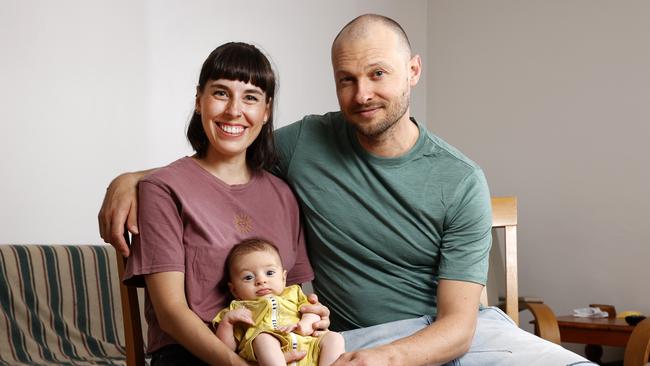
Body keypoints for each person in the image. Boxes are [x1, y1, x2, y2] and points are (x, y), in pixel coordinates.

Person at [100, 14, 596, 366]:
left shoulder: (461, 179)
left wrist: (386, 359)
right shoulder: (306, 143)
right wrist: (135, 179)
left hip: (451, 335)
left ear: (413, 71)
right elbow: (227, 153)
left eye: (378, 74)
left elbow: (459, 327)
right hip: (355, 338)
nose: (362, 95)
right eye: (347, 79)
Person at [119, 42, 329, 365]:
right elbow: (171, 313)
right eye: (220, 93)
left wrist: (311, 316)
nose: (234, 110)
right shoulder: (162, 190)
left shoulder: (283, 196)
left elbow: (294, 295)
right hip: (191, 355)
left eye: (250, 97)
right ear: (199, 101)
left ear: (266, 110)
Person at [214, 238, 345, 366]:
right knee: (263, 338)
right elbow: (226, 349)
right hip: (267, 356)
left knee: (334, 338)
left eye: (269, 273)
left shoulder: (294, 293)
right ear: (234, 290)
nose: (261, 280)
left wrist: (305, 324)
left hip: (308, 348)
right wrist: (227, 323)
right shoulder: (237, 309)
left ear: (283, 278)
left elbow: (311, 310)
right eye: (248, 277)